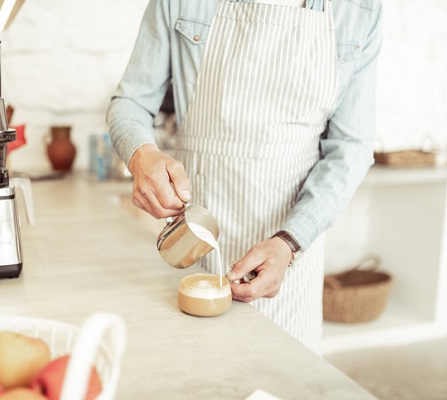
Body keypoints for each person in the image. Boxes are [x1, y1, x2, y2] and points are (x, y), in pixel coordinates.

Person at [107, 0, 383, 353]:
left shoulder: (360, 9)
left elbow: (351, 147)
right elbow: (130, 100)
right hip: (191, 249)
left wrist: (290, 242)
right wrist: (141, 154)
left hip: (290, 255)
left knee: (281, 377)